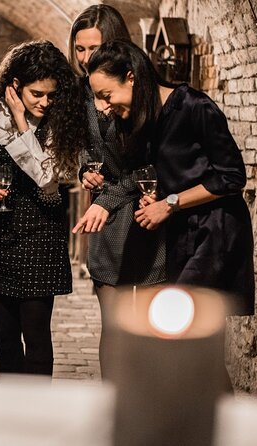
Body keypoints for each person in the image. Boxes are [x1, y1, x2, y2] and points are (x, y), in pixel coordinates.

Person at [87, 40, 254, 318]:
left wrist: (169, 203)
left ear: (131, 77)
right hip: (179, 231)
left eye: (107, 95)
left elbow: (233, 176)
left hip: (213, 231)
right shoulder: (145, 118)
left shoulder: (194, 106)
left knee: (183, 324)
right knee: (183, 333)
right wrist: (156, 196)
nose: (104, 106)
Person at [0, 41, 88, 376]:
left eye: (51, 95)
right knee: (5, 339)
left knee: (36, 338)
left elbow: (47, 178)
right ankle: (12, 409)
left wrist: (22, 120)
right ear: (15, 85)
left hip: (40, 240)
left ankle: (38, 410)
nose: (45, 102)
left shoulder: (60, 123)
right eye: (37, 94)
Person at [69, 5, 166, 377]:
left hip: (143, 212)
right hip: (106, 225)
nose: (86, 57)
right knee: (113, 327)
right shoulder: (81, 92)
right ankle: (116, 410)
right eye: (79, 49)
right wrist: (83, 169)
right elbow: (79, 144)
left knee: (150, 328)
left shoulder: (142, 92)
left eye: (94, 47)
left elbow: (151, 162)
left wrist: (107, 199)